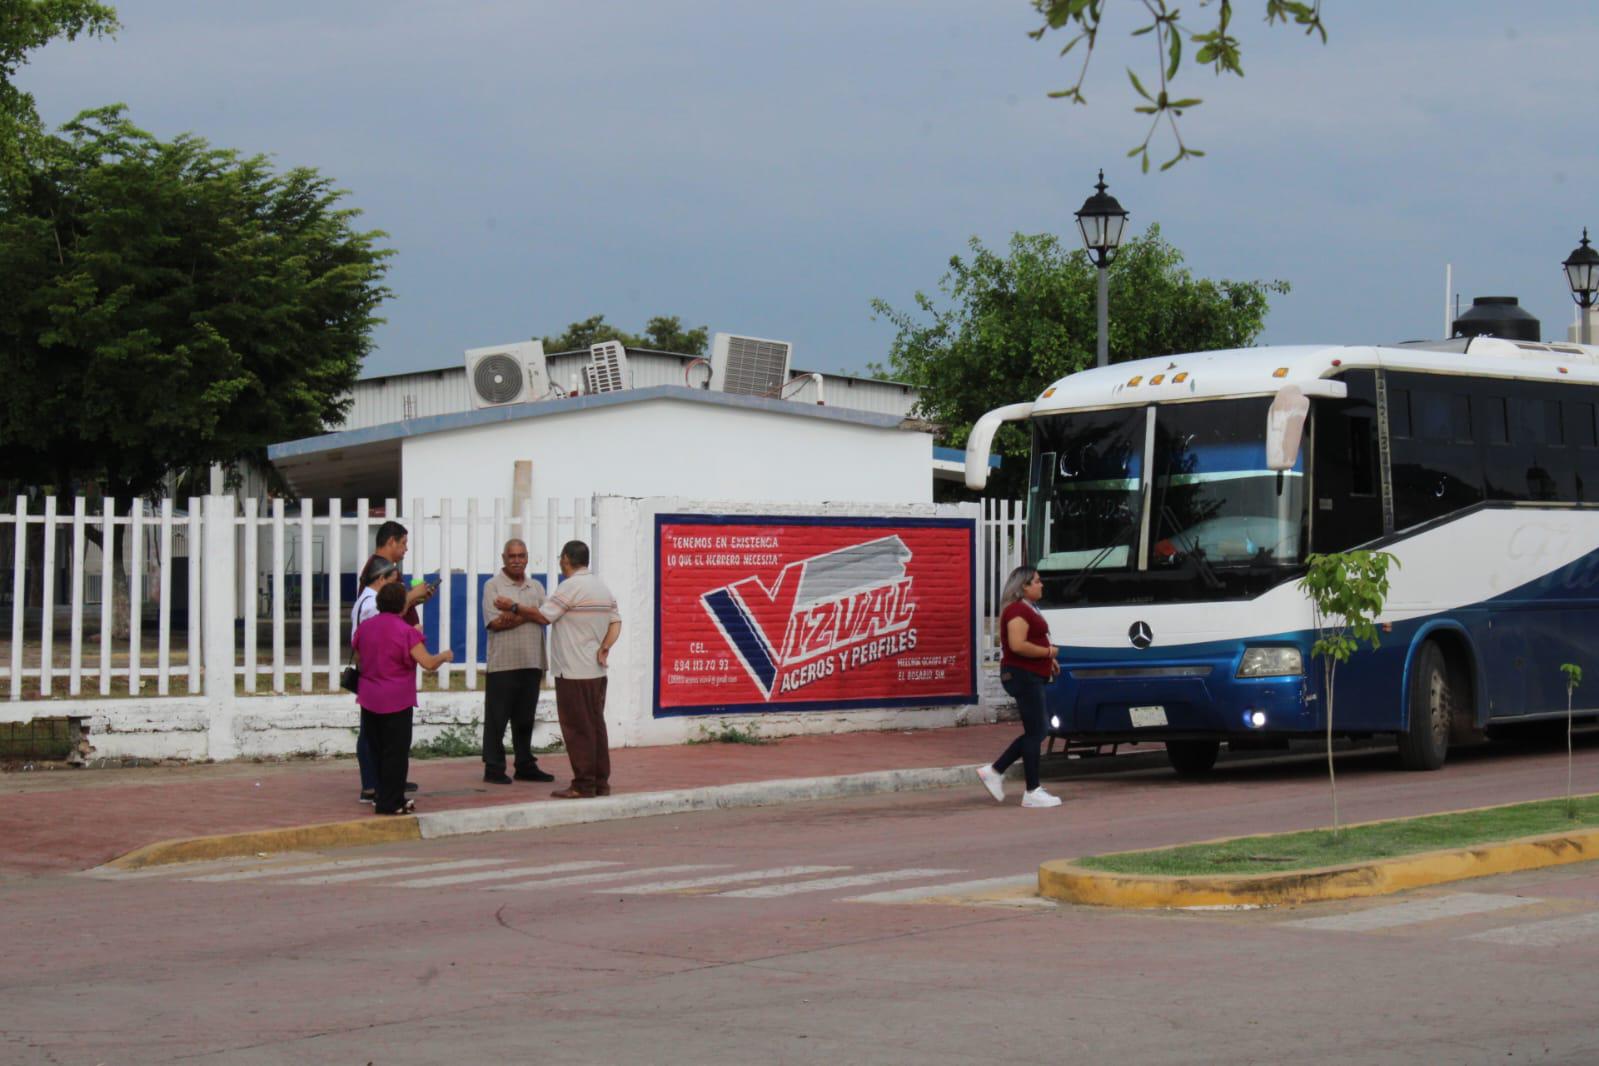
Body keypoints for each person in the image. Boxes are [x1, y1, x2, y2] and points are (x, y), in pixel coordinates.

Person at [522, 541, 621, 799]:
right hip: (596, 671)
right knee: (596, 725)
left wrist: (514, 608)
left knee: (577, 728)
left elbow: (545, 616)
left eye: (560, 558)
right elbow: (616, 622)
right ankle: (601, 782)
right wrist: (605, 647)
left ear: (566, 559)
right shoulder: (602, 588)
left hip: (573, 670)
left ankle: (583, 784)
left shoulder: (570, 587)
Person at [352, 581, 453, 814]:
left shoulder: (365, 628)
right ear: (403, 606)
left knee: (376, 750)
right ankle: (392, 802)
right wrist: (444, 656)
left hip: (369, 697)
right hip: (396, 700)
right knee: (395, 753)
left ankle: (381, 795)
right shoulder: (406, 632)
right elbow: (428, 663)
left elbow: (359, 659)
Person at [976, 566, 1062, 809]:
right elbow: (1017, 645)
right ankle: (1031, 790)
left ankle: (995, 771)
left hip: (1031, 674)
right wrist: (1048, 652)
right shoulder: (1016, 611)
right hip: (1023, 676)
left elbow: (1031, 640)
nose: (1041, 585)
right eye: (1037, 581)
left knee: (1036, 731)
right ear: (1024, 586)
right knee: (1037, 731)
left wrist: (1048, 660)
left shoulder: (1027, 608)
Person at [480, 538, 555, 785]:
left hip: (532, 661)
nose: (516, 560)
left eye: (521, 555)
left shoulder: (536, 587)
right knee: (497, 719)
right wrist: (530, 612)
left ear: (527, 557)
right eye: (512, 556)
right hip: (503, 663)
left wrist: (514, 609)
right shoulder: (493, 586)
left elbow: (546, 618)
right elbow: (496, 623)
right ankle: (493, 768)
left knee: (525, 719)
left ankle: (525, 764)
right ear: (503, 558)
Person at [350, 555, 400, 804]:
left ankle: (376, 781)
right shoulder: (371, 604)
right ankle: (372, 784)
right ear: (381, 579)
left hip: (370, 674)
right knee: (373, 734)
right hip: (375, 675)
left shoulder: (364, 600)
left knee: (370, 731)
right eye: (393, 581)